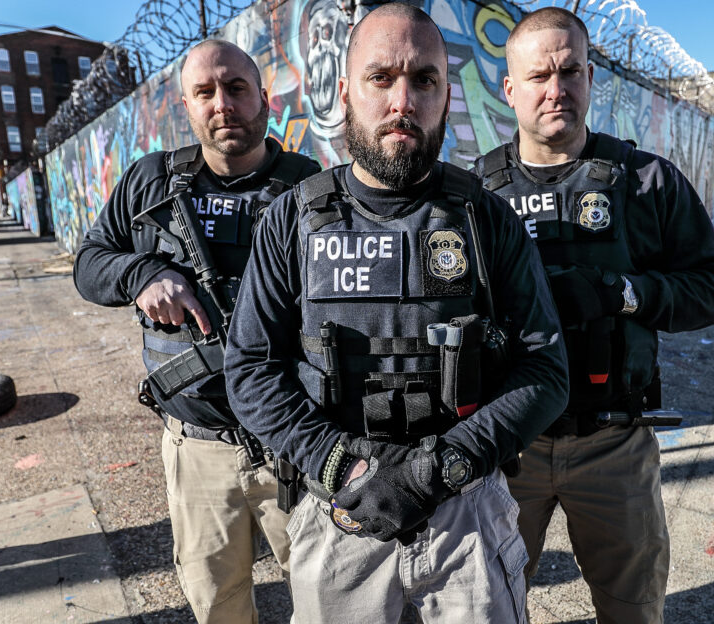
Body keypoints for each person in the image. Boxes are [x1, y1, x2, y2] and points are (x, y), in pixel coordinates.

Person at [223, 4, 568, 622]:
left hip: (466, 510)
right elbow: (250, 369)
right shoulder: (291, 221)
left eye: (424, 80)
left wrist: (436, 470)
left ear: (445, 94)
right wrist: (341, 462)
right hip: (340, 508)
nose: (402, 101)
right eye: (380, 78)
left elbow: (545, 371)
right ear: (345, 91)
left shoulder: (485, 218)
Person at [473, 8, 714, 623]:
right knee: (487, 607)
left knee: (632, 608)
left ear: (590, 78)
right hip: (508, 446)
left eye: (570, 72)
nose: (556, 90)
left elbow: (712, 288)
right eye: (538, 76)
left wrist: (623, 293)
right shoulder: (475, 194)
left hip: (615, 443)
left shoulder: (646, 182)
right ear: (509, 88)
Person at [72, 40, 320, 624]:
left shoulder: (309, 187)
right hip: (197, 445)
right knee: (215, 601)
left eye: (236, 88)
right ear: (186, 106)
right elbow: (89, 263)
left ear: (264, 97)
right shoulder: (150, 182)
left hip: (293, 438)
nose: (222, 104)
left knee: (323, 598)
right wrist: (141, 273)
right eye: (204, 93)